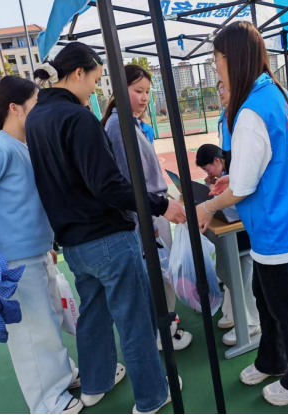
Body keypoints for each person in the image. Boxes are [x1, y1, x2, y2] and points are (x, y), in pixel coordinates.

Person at [26, 42, 186, 415]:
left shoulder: (36, 118)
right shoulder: (78, 118)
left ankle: (95, 383)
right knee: (134, 320)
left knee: (94, 314)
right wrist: (162, 205)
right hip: (107, 238)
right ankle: (152, 395)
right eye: (95, 80)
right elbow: (108, 185)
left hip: (73, 243)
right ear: (78, 73)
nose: (96, 89)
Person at [197, 21, 288, 407]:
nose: (216, 67)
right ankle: (272, 359)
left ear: (231, 58)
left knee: (286, 310)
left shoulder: (252, 111)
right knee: (266, 296)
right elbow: (263, 165)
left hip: (277, 227)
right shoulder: (278, 94)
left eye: (216, 59)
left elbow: (242, 188)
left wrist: (207, 205)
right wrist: (233, 179)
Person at [0, 76, 83, 414]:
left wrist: (47, 244)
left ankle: (61, 378)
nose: (41, 111)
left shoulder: (22, 147)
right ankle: (48, 402)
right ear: (15, 109)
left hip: (34, 252)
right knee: (33, 331)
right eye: (36, 104)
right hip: (13, 260)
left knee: (48, 322)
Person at [102, 64, 193, 351]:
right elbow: (128, 181)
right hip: (149, 213)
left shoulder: (130, 124)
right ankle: (163, 331)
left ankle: (167, 324)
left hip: (154, 209)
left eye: (147, 92)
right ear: (120, 90)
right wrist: (151, 218)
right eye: (138, 91)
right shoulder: (119, 126)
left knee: (162, 272)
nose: (144, 98)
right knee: (159, 273)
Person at [195, 144, 261, 347]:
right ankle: (233, 312)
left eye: (207, 169)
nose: (208, 174)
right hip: (249, 219)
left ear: (217, 160)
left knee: (242, 267)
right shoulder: (230, 167)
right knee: (230, 263)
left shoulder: (238, 162)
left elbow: (245, 192)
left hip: (257, 225)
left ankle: (253, 321)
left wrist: (213, 203)